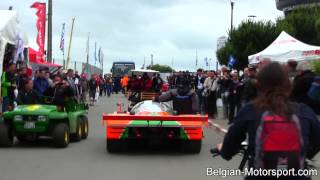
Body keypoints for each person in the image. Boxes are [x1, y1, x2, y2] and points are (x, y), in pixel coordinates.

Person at [216, 62, 320, 180]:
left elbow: (232, 139)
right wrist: (304, 152)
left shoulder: (250, 109)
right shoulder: (304, 111)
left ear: (259, 85)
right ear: (289, 84)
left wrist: (224, 150)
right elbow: (317, 141)